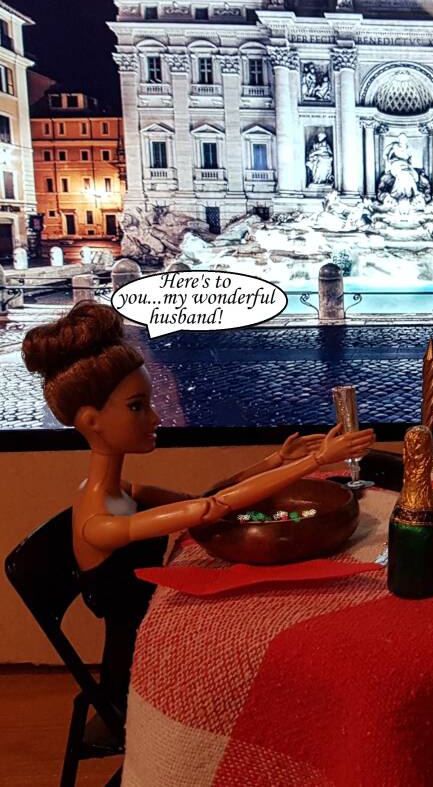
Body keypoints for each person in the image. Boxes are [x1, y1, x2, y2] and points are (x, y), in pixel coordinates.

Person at [22, 301, 374, 710]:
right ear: (90, 421)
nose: (155, 417)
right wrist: (315, 461)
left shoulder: (118, 490)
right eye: (137, 407)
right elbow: (212, 508)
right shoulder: (99, 524)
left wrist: (277, 459)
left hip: (159, 627)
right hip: (139, 670)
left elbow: (198, 501)